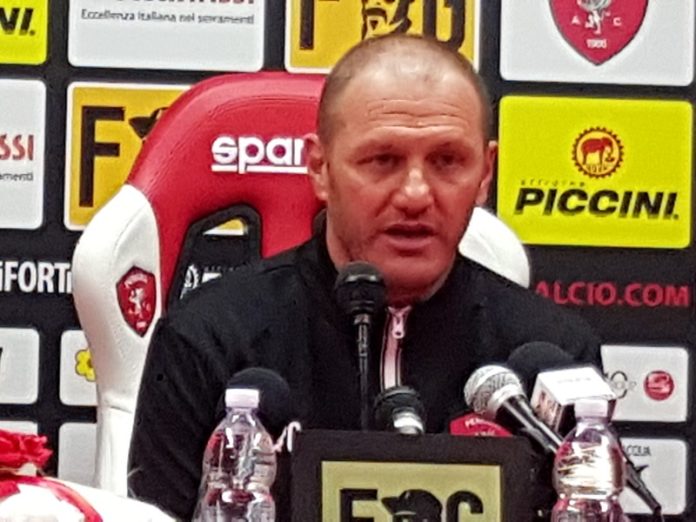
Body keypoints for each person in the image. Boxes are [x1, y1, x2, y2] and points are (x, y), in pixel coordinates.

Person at [127, 34, 601, 520]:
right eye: (382, 161)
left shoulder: (553, 356)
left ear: (485, 174)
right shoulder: (211, 339)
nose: (415, 194)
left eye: (447, 161)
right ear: (320, 168)